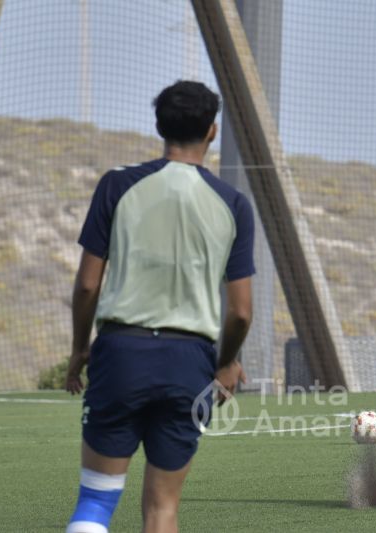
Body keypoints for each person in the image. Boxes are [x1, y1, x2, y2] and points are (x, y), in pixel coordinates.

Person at [64, 80, 255, 532]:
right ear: (212, 130)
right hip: (188, 362)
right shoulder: (232, 203)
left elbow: (88, 286)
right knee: (163, 508)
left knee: (95, 501)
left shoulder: (117, 185)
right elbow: (241, 311)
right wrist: (226, 363)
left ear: (158, 126)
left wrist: (79, 349)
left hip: (121, 351)